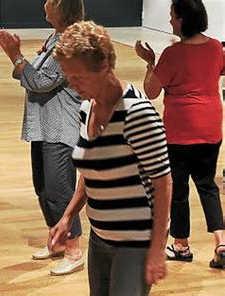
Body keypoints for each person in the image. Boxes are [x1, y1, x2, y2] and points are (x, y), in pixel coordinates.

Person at [49, 21, 172, 295]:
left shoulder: (137, 114)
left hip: (136, 241)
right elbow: (91, 171)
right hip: (100, 237)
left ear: (104, 65)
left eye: (78, 76)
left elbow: (163, 183)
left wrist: (156, 250)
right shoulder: (86, 108)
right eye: (68, 76)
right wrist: (68, 216)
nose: (71, 83)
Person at [135, 0, 225, 269]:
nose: (170, 22)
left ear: (183, 20)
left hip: (179, 132)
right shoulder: (216, 48)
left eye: (173, 17)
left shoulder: (172, 54)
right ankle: (221, 241)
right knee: (208, 185)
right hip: (210, 127)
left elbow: (151, 92)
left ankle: (182, 245)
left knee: (178, 189)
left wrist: (150, 63)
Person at [0, 0, 84, 276]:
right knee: (43, 189)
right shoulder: (54, 37)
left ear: (63, 7)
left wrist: (15, 55)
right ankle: (57, 240)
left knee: (60, 191)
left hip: (61, 127)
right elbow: (31, 73)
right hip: (43, 125)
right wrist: (23, 63)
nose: (45, 3)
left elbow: (38, 81)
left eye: (51, 0)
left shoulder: (69, 43)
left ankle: (74, 250)